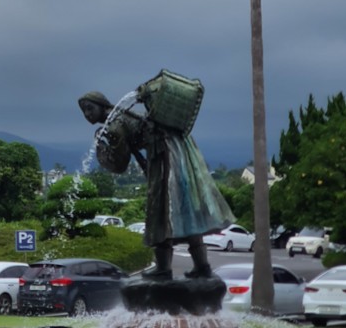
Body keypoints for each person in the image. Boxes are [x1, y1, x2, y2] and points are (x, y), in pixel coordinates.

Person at [78, 90, 234, 280]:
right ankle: (202, 266)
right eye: (83, 111)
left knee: (159, 210)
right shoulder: (120, 117)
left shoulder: (115, 125)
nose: (87, 114)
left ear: (102, 105)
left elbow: (119, 165)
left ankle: (163, 268)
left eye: (89, 108)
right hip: (176, 152)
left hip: (164, 156)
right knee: (185, 210)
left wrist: (102, 150)